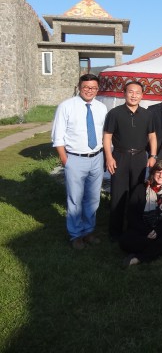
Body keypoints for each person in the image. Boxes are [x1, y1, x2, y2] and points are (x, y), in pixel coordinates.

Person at [52, 73, 108, 250]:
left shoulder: (101, 108)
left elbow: (105, 135)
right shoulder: (66, 106)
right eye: (86, 87)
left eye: (93, 88)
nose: (89, 91)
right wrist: (64, 159)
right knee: (75, 199)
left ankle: (88, 231)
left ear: (98, 89)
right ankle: (75, 235)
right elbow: (57, 136)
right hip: (75, 158)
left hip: (96, 157)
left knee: (93, 198)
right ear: (79, 87)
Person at [103, 81, 157, 240]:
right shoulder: (114, 113)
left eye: (137, 92)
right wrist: (109, 157)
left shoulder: (147, 114)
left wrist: (153, 155)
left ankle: (135, 227)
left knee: (137, 193)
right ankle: (115, 232)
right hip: (120, 156)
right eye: (130, 92)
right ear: (124, 93)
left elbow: (152, 136)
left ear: (142, 95)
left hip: (140, 157)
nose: (134, 95)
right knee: (118, 193)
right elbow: (107, 137)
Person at [120, 160, 162, 267]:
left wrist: (157, 231)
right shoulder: (140, 189)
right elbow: (131, 215)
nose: (161, 175)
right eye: (158, 172)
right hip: (143, 230)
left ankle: (139, 258)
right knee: (125, 240)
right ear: (153, 172)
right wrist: (147, 231)